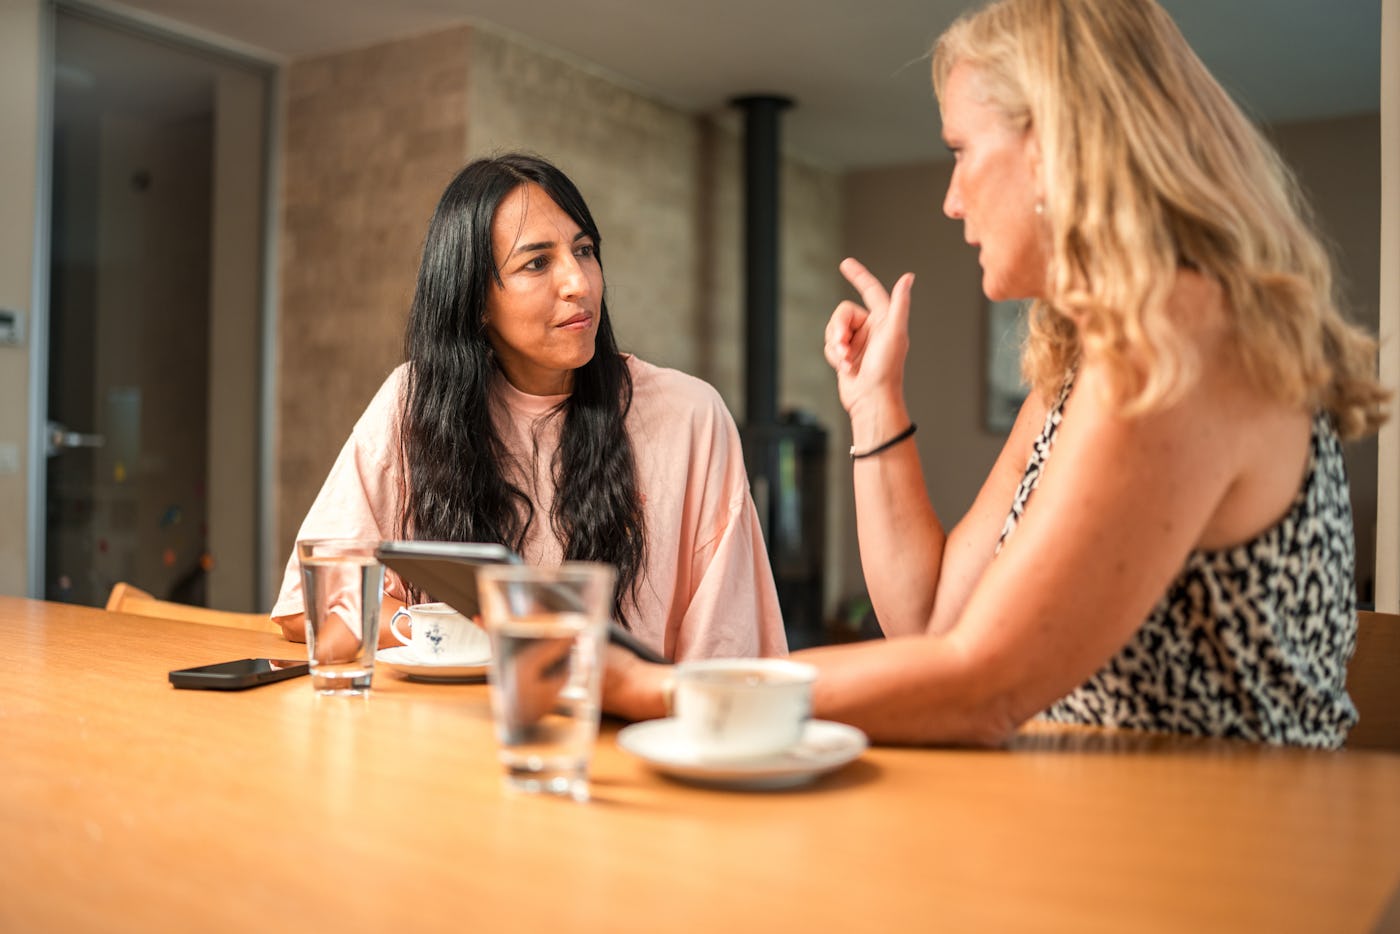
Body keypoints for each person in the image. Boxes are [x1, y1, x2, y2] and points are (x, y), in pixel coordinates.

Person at [605, 0, 1391, 747]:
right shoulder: (1086, 360)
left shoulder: (1177, 337)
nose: (950, 200)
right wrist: (874, 402)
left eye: (960, 150)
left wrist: (656, 690)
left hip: (1222, 856)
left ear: (1053, 149)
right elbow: (933, 626)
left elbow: (981, 686)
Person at [272, 152, 787, 661]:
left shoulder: (691, 415)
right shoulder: (414, 403)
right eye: (537, 262)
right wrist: (431, 626)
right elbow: (309, 603)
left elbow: (731, 652)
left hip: (624, 734)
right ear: (475, 302)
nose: (579, 284)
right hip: (442, 734)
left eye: (584, 251)